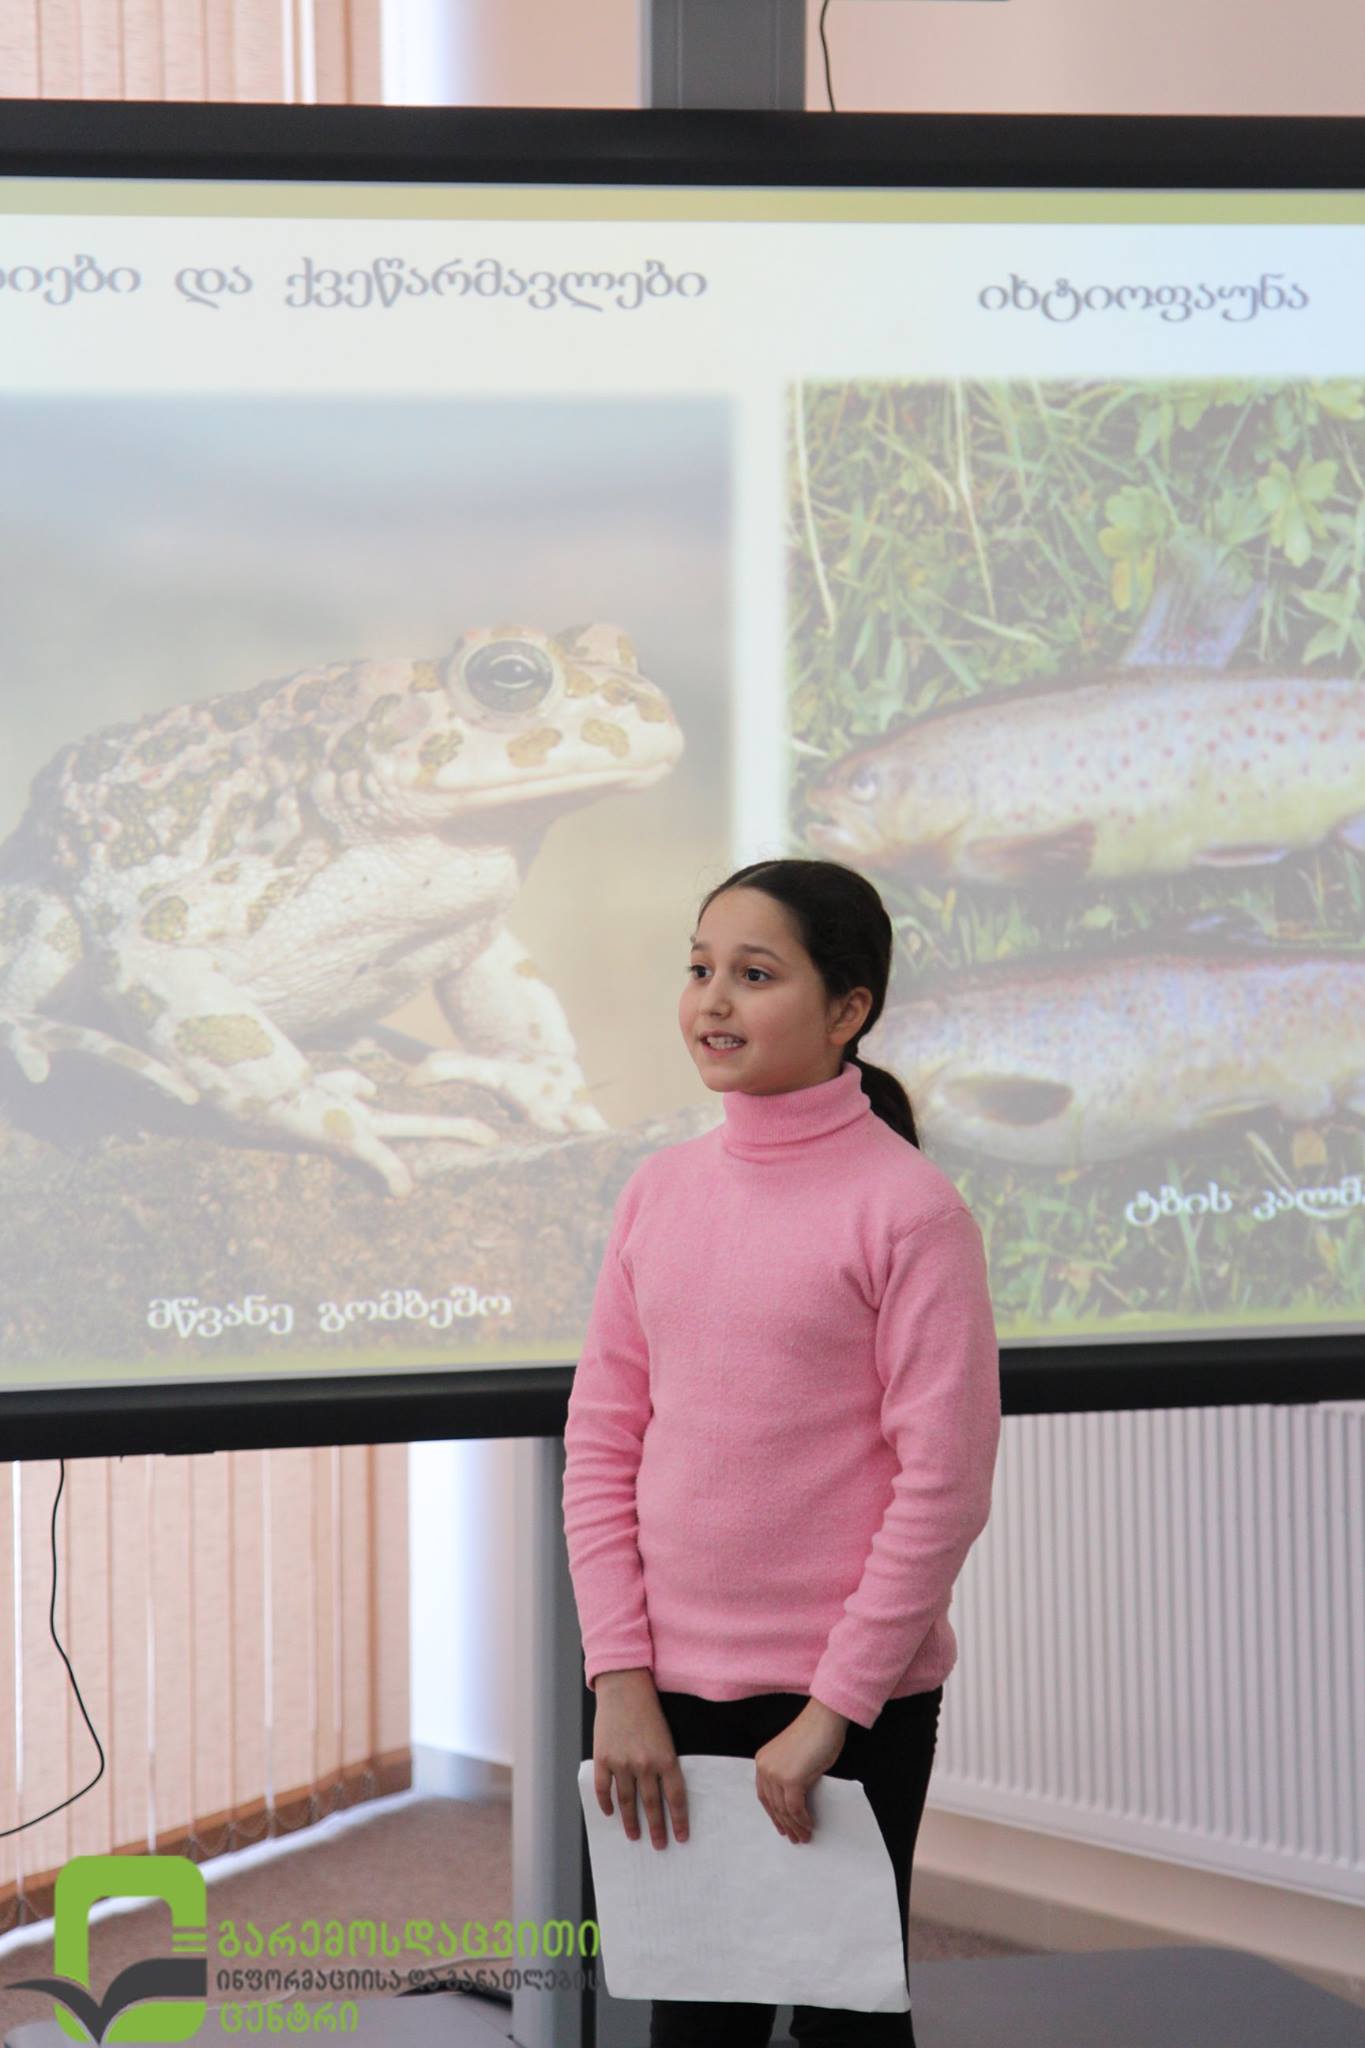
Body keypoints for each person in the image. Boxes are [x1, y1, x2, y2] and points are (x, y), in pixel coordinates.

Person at [561, 856, 1001, 2047]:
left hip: (846, 1705)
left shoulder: (911, 1211)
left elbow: (943, 1487)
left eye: (755, 974)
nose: (713, 999)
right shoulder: (657, 1191)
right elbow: (601, 1443)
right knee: (698, 2027)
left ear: (848, 1007)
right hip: (662, 1698)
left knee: (848, 2027)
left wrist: (832, 1711)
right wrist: (619, 1677)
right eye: (700, 968)